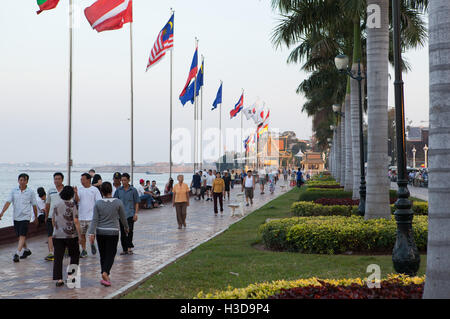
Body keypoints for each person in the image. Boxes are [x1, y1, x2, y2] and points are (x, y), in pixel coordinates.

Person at [88, 182, 128, 287]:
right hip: (113, 232)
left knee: (103, 254)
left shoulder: (98, 203)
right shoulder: (118, 202)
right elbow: (123, 217)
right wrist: (126, 227)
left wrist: (91, 233)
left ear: (102, 191)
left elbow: (95, 219)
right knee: (111, 254)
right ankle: (105, 273)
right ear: (111, 190)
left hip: (100, 232)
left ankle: (104, 275)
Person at [0, 173, 38, 262]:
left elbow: (34, 205)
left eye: (24, 180)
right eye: (21, 180)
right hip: (16, 217)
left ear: (27, 181)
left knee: (22, 235)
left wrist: (35, 217)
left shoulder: (30, 192)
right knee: (19, 236)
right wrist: (2, 212)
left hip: (26, 217)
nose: (22, 182)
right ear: (18, 181)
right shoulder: (14, 191)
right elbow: (8, 202)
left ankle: (17, 253)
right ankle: (27, 250)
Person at [52, 185, 81, 287]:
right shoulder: (72, 205)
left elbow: (53, 219)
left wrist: (56, 230)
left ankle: (59, 279)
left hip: (57, 235)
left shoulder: (56, 204)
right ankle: (71, 277)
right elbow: (76, 221)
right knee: (75, 255)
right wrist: (80, 235)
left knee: (58, 257)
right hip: (71, 235)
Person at [74, 173, 102, 258]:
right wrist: (75, 193)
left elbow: (99, 202)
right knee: (82, 234)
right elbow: (77, 201)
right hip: (81, 216)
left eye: (83, 179)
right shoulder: (79, 189)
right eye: (81, 179)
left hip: (92, 217)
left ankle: (92, 244)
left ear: (88, 180)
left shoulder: (94, 190)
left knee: (91, 234)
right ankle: (84, 250)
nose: (81, 181)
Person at [114, 173, 139, 255]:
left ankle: (129, 248)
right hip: (121, 215)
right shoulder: (118, 190)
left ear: (129, 180)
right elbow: (115, 201)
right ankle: (124, 249)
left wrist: (136, 214)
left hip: (130, 213)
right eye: (122, 180)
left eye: (125, 180)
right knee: (123, 232)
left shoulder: (133, 190)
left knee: (130, 230)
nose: (123, 182)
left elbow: (136, 203)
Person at [44, 172, 65, 262]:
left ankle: (63, 250)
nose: (56, 180)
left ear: (62, 180)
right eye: (55, 179)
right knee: (50, 235)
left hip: (62, 217)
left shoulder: (66, 190)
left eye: (58, 179)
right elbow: (47, 204)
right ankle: (51, 253)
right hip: (50, 216)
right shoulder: (50, 190)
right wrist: (46, 215)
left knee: (62, 235)